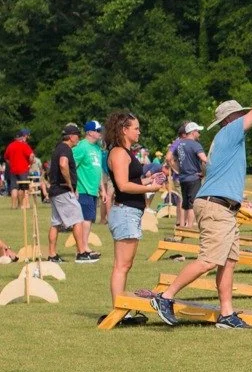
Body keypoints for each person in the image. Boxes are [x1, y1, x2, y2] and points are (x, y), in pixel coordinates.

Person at [151, 75, 252, 328]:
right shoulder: (230, 131)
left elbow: (224, 177)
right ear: (230, 119)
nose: (244, 117)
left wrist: (240, 201)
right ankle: (165, 297)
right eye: (240, 114)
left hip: (223, 206)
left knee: (229, 261)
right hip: (215, 207)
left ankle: (226, 314)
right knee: (209, 260)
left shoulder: (227, 141)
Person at [104, 111, 167, 310]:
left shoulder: (125, 152)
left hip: (129, 212)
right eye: (136, 128)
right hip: (125, 212)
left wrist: (149, 180)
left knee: (125, 265)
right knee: (122, 266)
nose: (139, 132)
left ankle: (122, 308)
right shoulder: (119, 153)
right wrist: (151, 188)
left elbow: (132, 180)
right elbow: (123, 185)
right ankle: (119, 309)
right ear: (124, 130)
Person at [47, 123, 100, 263]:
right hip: (63, 190)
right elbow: (63, 164)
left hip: (55, 190)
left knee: (56, 223)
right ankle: (82, 253)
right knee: (77, 219)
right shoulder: (66, 149)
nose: (78, 138)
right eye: (77, 135)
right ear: (71, 136)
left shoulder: (58, 147)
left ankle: (52, 255)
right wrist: (70, 184)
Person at [72, 120, 105, 252]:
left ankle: (84, 246)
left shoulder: (97, 148)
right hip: (83, 189)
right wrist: (73, 187)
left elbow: (98, 171)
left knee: (89, 218)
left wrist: (103, 189)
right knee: (85, 219)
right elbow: (71, 167)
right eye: (98, 131)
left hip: (93, 190)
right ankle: (83, 247)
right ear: (90, 132)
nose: (100, 133)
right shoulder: (81, 146)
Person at [174, 122, 208, 229]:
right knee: (193, 203)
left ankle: (182, 226)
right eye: (198, 131)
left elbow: (172, 159)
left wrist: (178, 170)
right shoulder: (195, 145)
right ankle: (189, 227)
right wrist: (204, 173)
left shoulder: (179, 144)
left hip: (183, 178)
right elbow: (204, 159)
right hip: (194, 177)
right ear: (193, 132)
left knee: (184, 204)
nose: (199, 134)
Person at [4, 128, 34, 210]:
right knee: (22, 188)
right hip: (23, 170)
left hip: (13, 170)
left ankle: (13, 206)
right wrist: (30, 163)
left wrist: (11, 164)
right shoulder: (24, 145)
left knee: (14, 187)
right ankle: (20, 205)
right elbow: (31, 155)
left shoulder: (10, 145)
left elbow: (6, 158)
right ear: (21, 137)